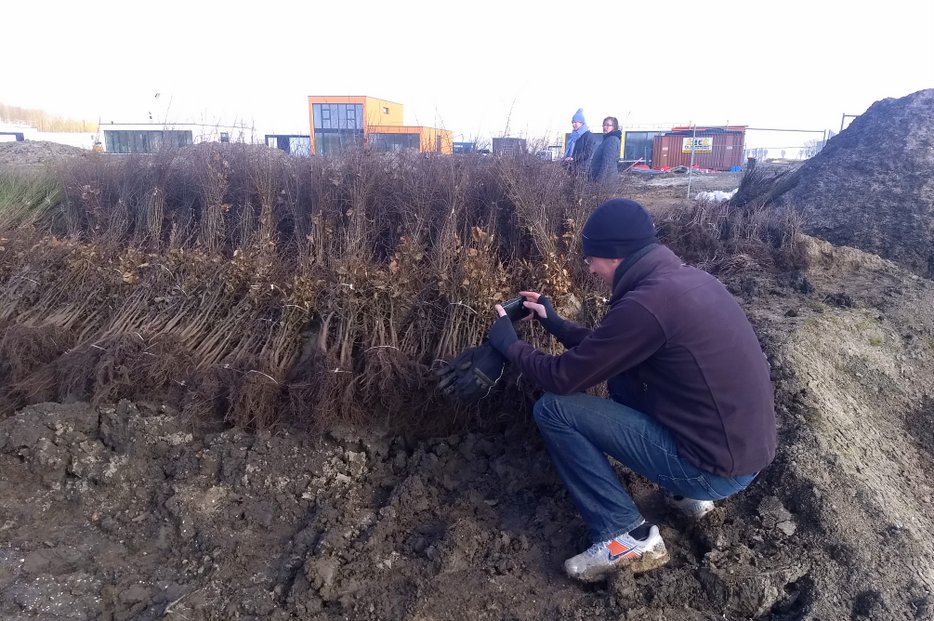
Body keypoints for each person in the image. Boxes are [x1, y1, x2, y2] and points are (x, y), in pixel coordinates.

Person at [484, 198, 777, 583]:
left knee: (554, 409)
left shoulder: (647, 304)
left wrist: (510, 344)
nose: (589, 267)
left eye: (592, 258)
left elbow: (562, 379)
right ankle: (687, 496)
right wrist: (554, 323)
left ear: (617, 255)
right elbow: (612, 348)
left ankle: (624, 535)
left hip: (714, 470)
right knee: (622, 371)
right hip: (740, 456)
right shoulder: (686, 283)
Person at [563, 108, 598, 175]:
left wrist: (573, 158)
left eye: (576, 122)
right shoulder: (573, 136)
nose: (573, 124)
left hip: (582, 170)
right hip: (570, 168)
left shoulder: (588, 136)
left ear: (582, 122)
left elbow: (588, 153)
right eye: (572, 122)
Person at [589, 116, 622, 183]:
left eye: (608, 125)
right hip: (603, 180)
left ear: (614, 127)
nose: (605, 127)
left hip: (605, 182)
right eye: (604, 125)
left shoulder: (612, 140)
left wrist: (599, 181)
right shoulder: (607, 139)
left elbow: (607, 163)